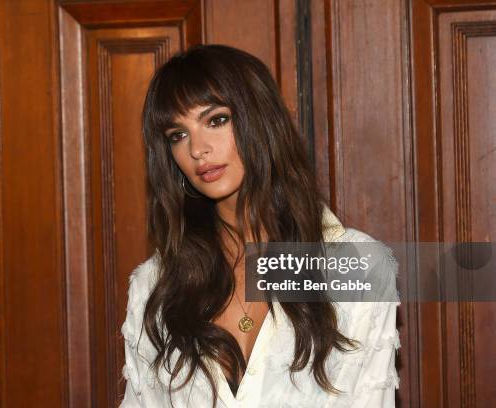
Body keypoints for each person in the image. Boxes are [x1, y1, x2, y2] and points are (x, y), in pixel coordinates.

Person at [119, 44, 400, 408]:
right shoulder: (154, 287)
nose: (198, 149)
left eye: (216, 120)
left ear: (260, 120)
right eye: (178, 134)